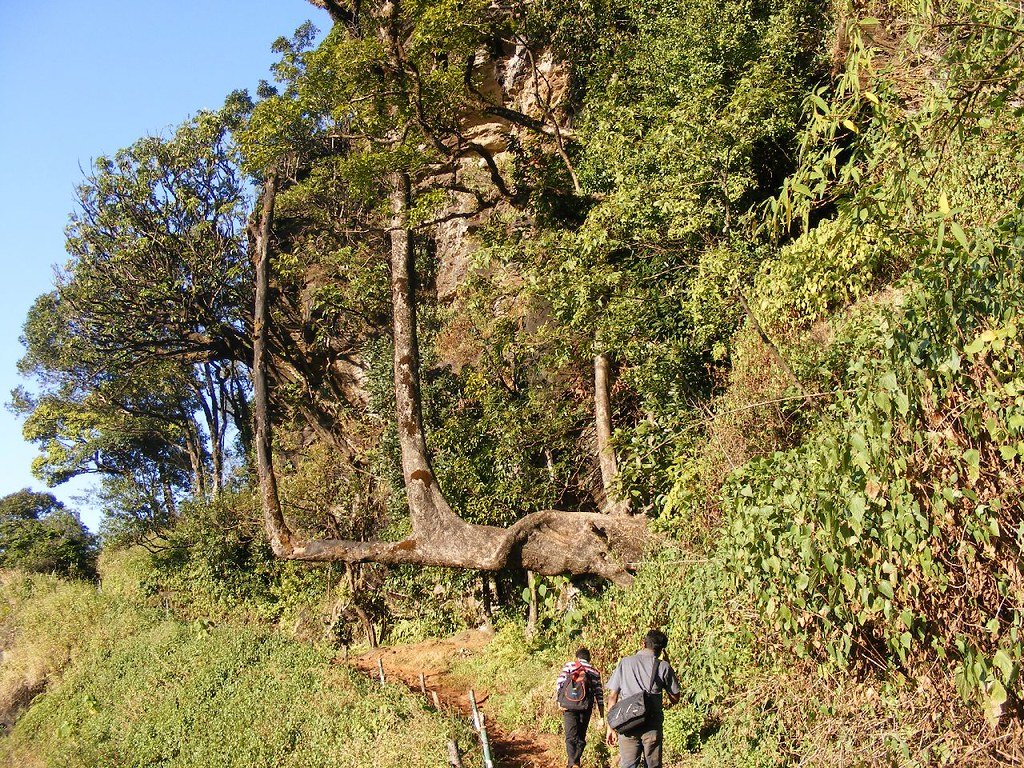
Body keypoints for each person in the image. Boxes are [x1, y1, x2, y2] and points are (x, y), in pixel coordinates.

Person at [604, 630, 681, 768]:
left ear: (643, 643)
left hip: (627, 723)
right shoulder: (663, 666)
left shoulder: (625, 662)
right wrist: (669, 666)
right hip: (652, 726)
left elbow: (612, 696)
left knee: (628, 765)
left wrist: (610, 727)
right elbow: (675, 698)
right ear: (662, 650)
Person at [555, 646, 605, 768]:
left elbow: (559, 683)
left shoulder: (570, 665)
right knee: (581, 737)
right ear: (589, 659)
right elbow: (599, 694)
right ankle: (575, 763)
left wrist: (559, 701)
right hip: (585, 707)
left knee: (570, 737)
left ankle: (572, 764)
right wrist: (601, 715)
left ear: (577, 657)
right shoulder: (594, 671)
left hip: (569, 706)